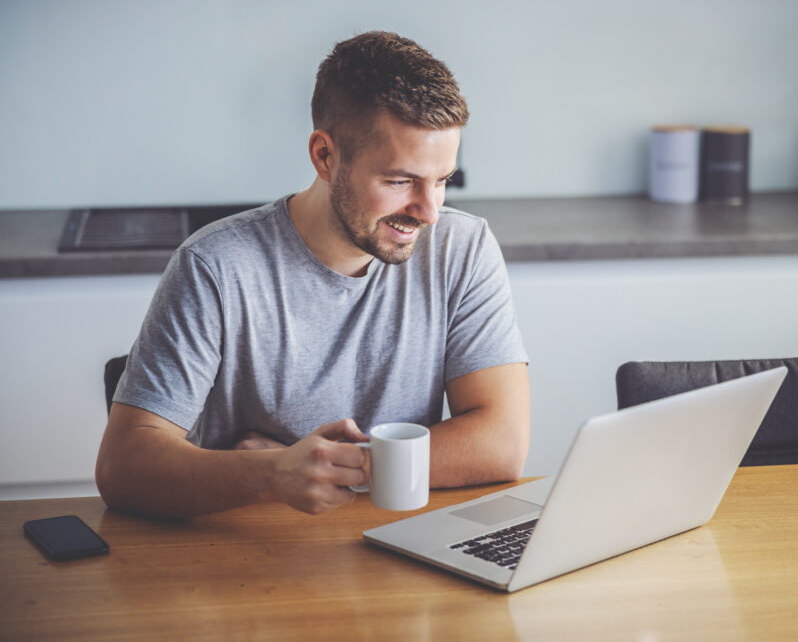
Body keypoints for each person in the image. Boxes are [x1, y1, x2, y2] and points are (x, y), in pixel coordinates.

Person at [95, 32, 530, 519]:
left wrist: (324, 466)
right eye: (399, 181)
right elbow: (122, 467)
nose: (428, 212)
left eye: (443, 180)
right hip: (239, 557)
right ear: (325, 156)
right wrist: (271, 477)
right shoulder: (216, 265)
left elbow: (502, 443)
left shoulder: (462, 248)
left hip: (392, 546)